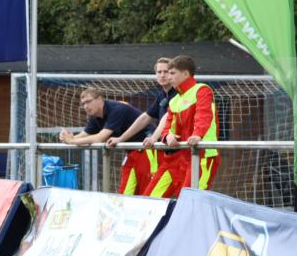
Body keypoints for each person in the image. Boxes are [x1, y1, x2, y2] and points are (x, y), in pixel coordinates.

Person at [141, 55, 220, 198]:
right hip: (177, 158)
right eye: (165, 73)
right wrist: (167, 136)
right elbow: (167, 127)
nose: (168, 77)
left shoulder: (202, 90)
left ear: (185, 73)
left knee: (190, 202)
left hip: (201, 155)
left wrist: (197, 134)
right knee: (150, 198)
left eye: (172, 73)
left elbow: (204, 115)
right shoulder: (175, 100)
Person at [59, 88, 156, 194]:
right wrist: (67, 137)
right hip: (132, 153)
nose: (86, 106)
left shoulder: (117, 109)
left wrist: (71, 141)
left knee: (148, 192)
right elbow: (83, 135)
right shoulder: (95, 116)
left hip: (148, 149)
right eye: (83, 104)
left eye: (88, 102)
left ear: (100, 99)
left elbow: (100, 138)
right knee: (124, 194)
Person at [106, 57, 176, 194]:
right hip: (168, 155)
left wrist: (154, 138)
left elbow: (167, 117)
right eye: (159, 72)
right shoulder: (162, 95)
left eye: (166, 71)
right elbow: (144, 117)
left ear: (173, 73)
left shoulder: (179, 94)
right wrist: (121, 139)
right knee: (152, 197)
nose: (162, 75)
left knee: (185, 200)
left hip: (183, 154)